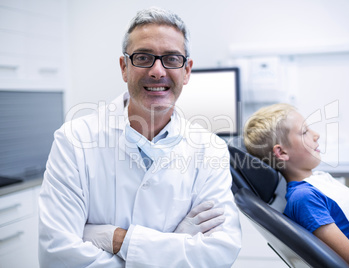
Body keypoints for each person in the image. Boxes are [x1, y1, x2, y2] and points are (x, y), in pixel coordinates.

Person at [38, 7, 241, 267]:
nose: (157, 71)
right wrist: (172, 246)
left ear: (187, 70)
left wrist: (118, 240)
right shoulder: (74, 140)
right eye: (143, 58)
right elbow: (56, 255)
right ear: (124, 67)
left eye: (171, 59)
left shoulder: (211, 149)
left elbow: (220, 252)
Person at [243, 103, 349, 267]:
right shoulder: (304, 198)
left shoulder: (318, 180)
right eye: (304, 132)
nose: (316, 135)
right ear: (282, 153)